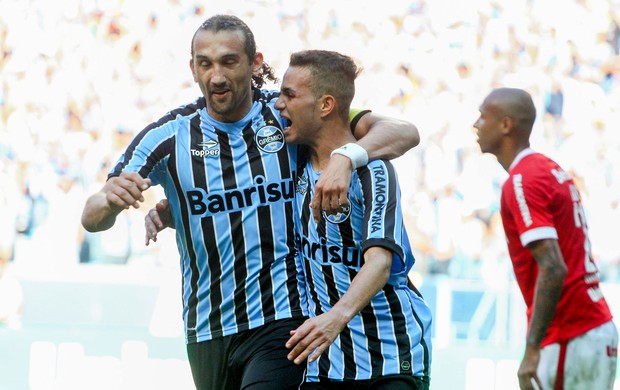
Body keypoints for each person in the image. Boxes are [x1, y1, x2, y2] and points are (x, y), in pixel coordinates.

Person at [82, 14, 420, 390]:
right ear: (192, 68)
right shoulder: (167, 137)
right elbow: (92, 217)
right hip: (207, 327)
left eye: (229, 61)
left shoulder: (286, 115)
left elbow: (402, 132)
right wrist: (109, 200)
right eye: (205, 63)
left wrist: (346, 157)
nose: (217, 76)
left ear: (255, 63)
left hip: (280, 318)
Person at [274, 49, 432, 389]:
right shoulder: (290, 160)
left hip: (390, 357)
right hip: (325, 364)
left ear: (326, 106)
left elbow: (379, 264)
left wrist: (335, 318)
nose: (278, 104)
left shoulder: (374, 172)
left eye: (289, 95)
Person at [473, 87, 618, 390]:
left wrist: (531, 349)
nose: (476, 124)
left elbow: (553, 266)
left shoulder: (523, 179)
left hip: (571, 332)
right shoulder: (548, 169)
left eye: (483, 116)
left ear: (505, 125)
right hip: (588, 328)